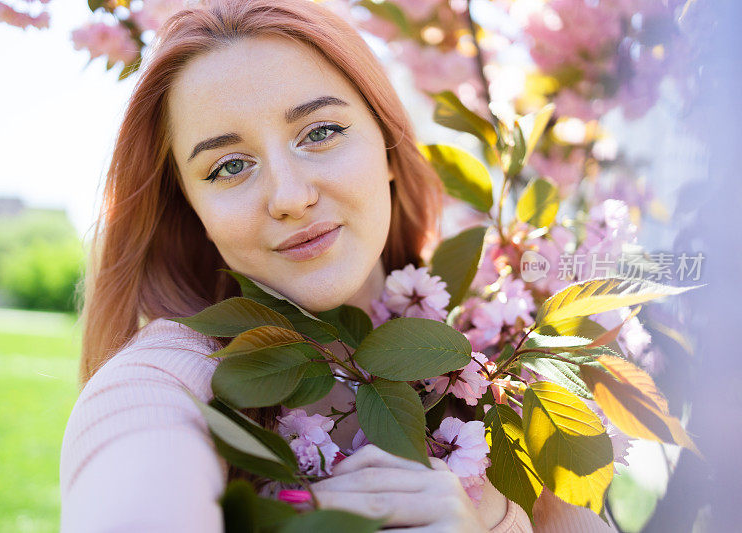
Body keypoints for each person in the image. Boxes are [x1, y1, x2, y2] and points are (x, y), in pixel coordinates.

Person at [60, 1, 618, 531]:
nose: (289, 196)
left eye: (320, 132)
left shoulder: (496, 363)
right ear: (192, 209)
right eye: (229, 166)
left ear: (389, 145)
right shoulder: (167, 377)